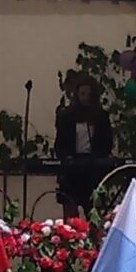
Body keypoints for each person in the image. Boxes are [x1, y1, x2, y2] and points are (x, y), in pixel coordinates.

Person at [52, 75, 114, 218]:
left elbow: (107, 142)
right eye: (82, 94)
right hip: (72, 171)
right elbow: (60, 143)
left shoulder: (100, 116)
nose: (85, 98)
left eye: (89, 95)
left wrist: (100, 158)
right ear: (76, 94)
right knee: (71, 214)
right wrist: (66, 157)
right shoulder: (67, 116)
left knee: (93, 213)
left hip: (93, 170)